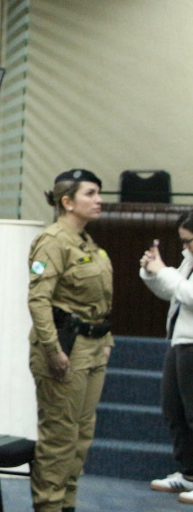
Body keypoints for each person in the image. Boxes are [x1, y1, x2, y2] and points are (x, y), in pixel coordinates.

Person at [28, 169, 113, 512]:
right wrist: (53, 349)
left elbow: (100, 300)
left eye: (98, 193)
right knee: (59, 436)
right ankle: (48, 505)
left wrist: (106, 340)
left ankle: (67, 503)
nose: (99, 200)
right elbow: (39, 300)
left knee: (81, 435)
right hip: (66, 345)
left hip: (93, 344)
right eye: (90, 193)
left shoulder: (86, 242)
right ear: (67, 202)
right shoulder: (53, 240)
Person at [141, 211, 193, 504]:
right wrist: (152, 272)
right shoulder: (190, 259)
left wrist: (163, 270)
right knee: (174, 410)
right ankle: (189, 473)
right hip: (179, 341)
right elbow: (174, 293)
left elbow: (190, 294)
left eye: (188, 241)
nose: (184, 247)